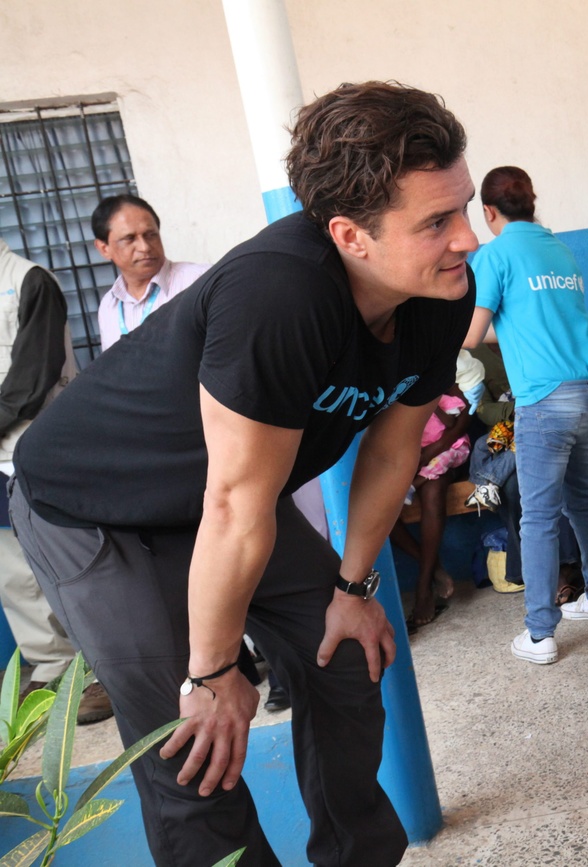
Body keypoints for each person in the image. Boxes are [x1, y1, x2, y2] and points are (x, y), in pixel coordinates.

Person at [10, 81, 479, 867]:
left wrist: (354, 589)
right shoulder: (281, 293)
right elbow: (235, 504)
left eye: (462, 207)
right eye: (437, 221)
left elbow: (395, 447)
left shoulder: (434, 290)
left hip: (222, 502)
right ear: (349, 234)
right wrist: (213, 668)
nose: (467, 238)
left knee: (347, 663)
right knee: (193, 741)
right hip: (93, 505)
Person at [461, 165, 588, 666]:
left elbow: (471, 334)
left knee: (539, 516)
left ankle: (540, 632)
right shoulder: (559, 249)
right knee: (581, 502)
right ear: (533, 201)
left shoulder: (495, 255)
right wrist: (520, 326)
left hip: (546, 399)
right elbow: (554, 320)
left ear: (488, 212)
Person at [0, 236, 111, 724]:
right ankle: (53, 670)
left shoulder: (29, 281)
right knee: (13, 572)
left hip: (33, 446)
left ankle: (101, 674)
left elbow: (34, 373)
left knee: (69, 565)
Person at [390, 387, 472, 631]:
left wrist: (426, 455)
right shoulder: (390, 382)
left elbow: (460, 424)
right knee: (379, 508)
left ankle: (423, 586)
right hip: (406, 458)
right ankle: (434, 568)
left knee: (433, 491)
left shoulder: (442, 377)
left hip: (442, 453)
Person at [92, 194, 208, 352]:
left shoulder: (200, 280)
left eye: (150, 235)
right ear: (104, 248)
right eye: (129, 238)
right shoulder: (108, 306)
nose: (144, 247)